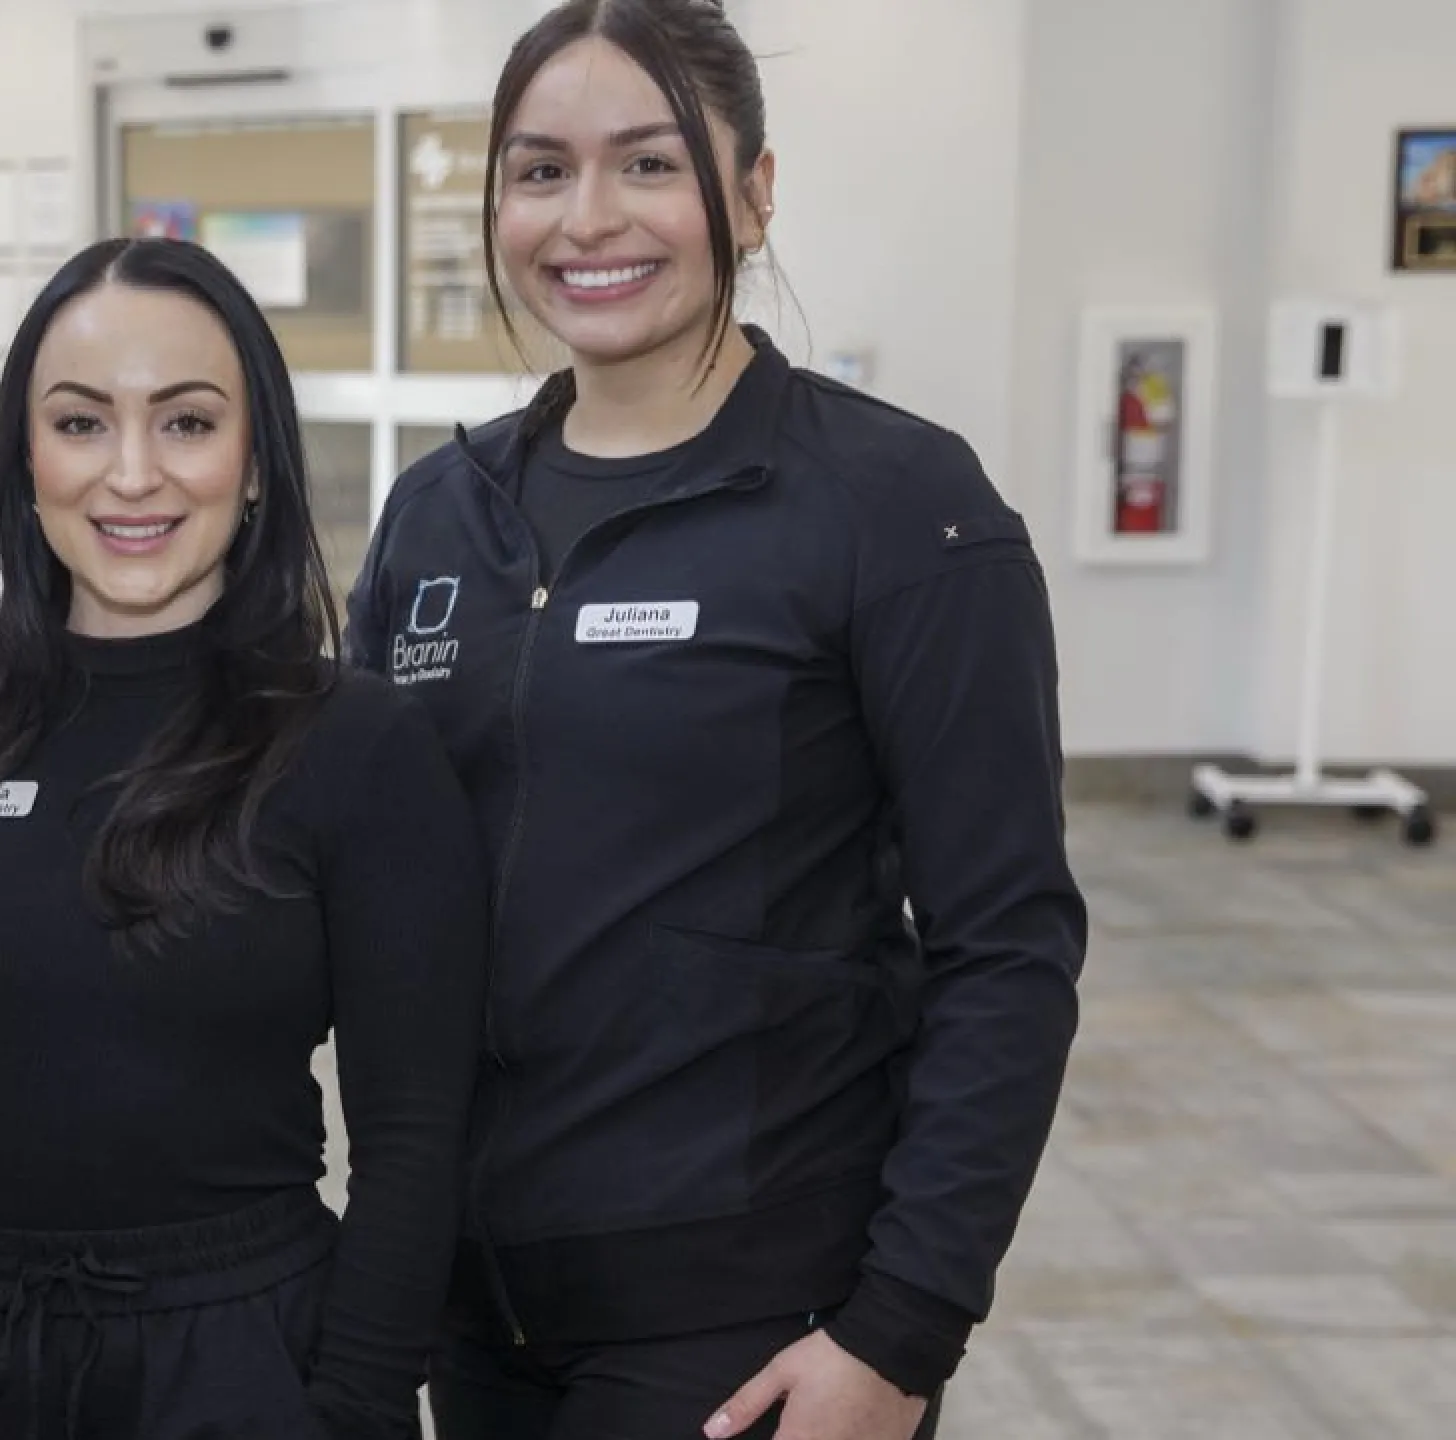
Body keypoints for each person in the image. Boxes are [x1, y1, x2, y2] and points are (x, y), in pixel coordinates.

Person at [341, 3, 1087, 1438]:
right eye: (540, 169)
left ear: (752, 190)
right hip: (475, 1314)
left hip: (745, 1330)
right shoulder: (442, 516)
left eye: (649, 163)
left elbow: (1008, 946)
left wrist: (901, 1334)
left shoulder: (897, 509)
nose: (589, 217)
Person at [0, 237, 487, 1440]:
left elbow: (414, 1142)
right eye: (81, 424)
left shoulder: (356, 748)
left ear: (253, 465)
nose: (132, 475)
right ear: (25, 461)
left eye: (185, 423)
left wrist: (351, 1410)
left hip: (246, 1362)